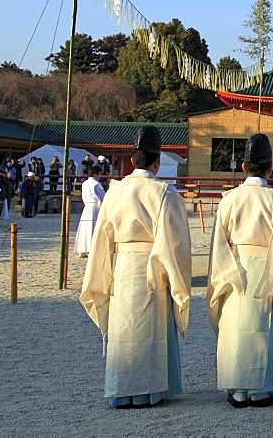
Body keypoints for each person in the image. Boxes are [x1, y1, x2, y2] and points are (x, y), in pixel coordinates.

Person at [79, 126, 192, 409]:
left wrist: (100, 280)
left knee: (123, 328)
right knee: (149, 328)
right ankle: (149, 391)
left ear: (132, 160)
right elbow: (174, 244)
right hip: (151, 266)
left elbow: (102, 239)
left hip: (121, 266)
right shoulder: (163, 193)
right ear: (156, 161)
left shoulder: (115, 192)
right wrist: (176, 282)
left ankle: (121, 388)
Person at [208, 133, 273, 408]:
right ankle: (263, 388)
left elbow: (218, 244)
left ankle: (237, 387)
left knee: (235, 326)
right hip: (267, 267)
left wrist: (223, 275)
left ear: (243, 166)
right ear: (270, 166)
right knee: (265, 328)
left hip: (234, 266)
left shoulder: (229, 199)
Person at [75, 165, 105, 258]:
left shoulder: (85, 183)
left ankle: (82, 249)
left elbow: (83, 197)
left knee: (85, 228)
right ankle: (92, 249)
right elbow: (101, 197)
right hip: (95, 207)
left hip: (87, 207)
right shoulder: (96, 184)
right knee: (93, 228)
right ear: (96, 174)